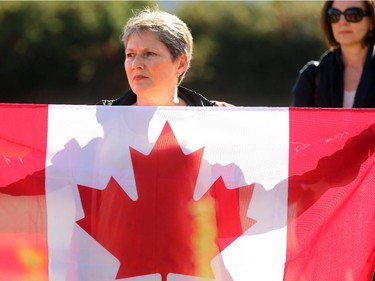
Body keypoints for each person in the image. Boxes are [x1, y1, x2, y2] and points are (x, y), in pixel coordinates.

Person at [97, 8, 229, 107]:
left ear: (181, 63)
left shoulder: (218, 119)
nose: (136, 64)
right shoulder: (99, 120)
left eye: (149, 53)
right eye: (130, 54)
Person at [292, 0, 375, 108]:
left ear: (372, 22)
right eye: (334, 14)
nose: (342, 21)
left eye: (353, 14)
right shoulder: (312, 76)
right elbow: (299, 124)